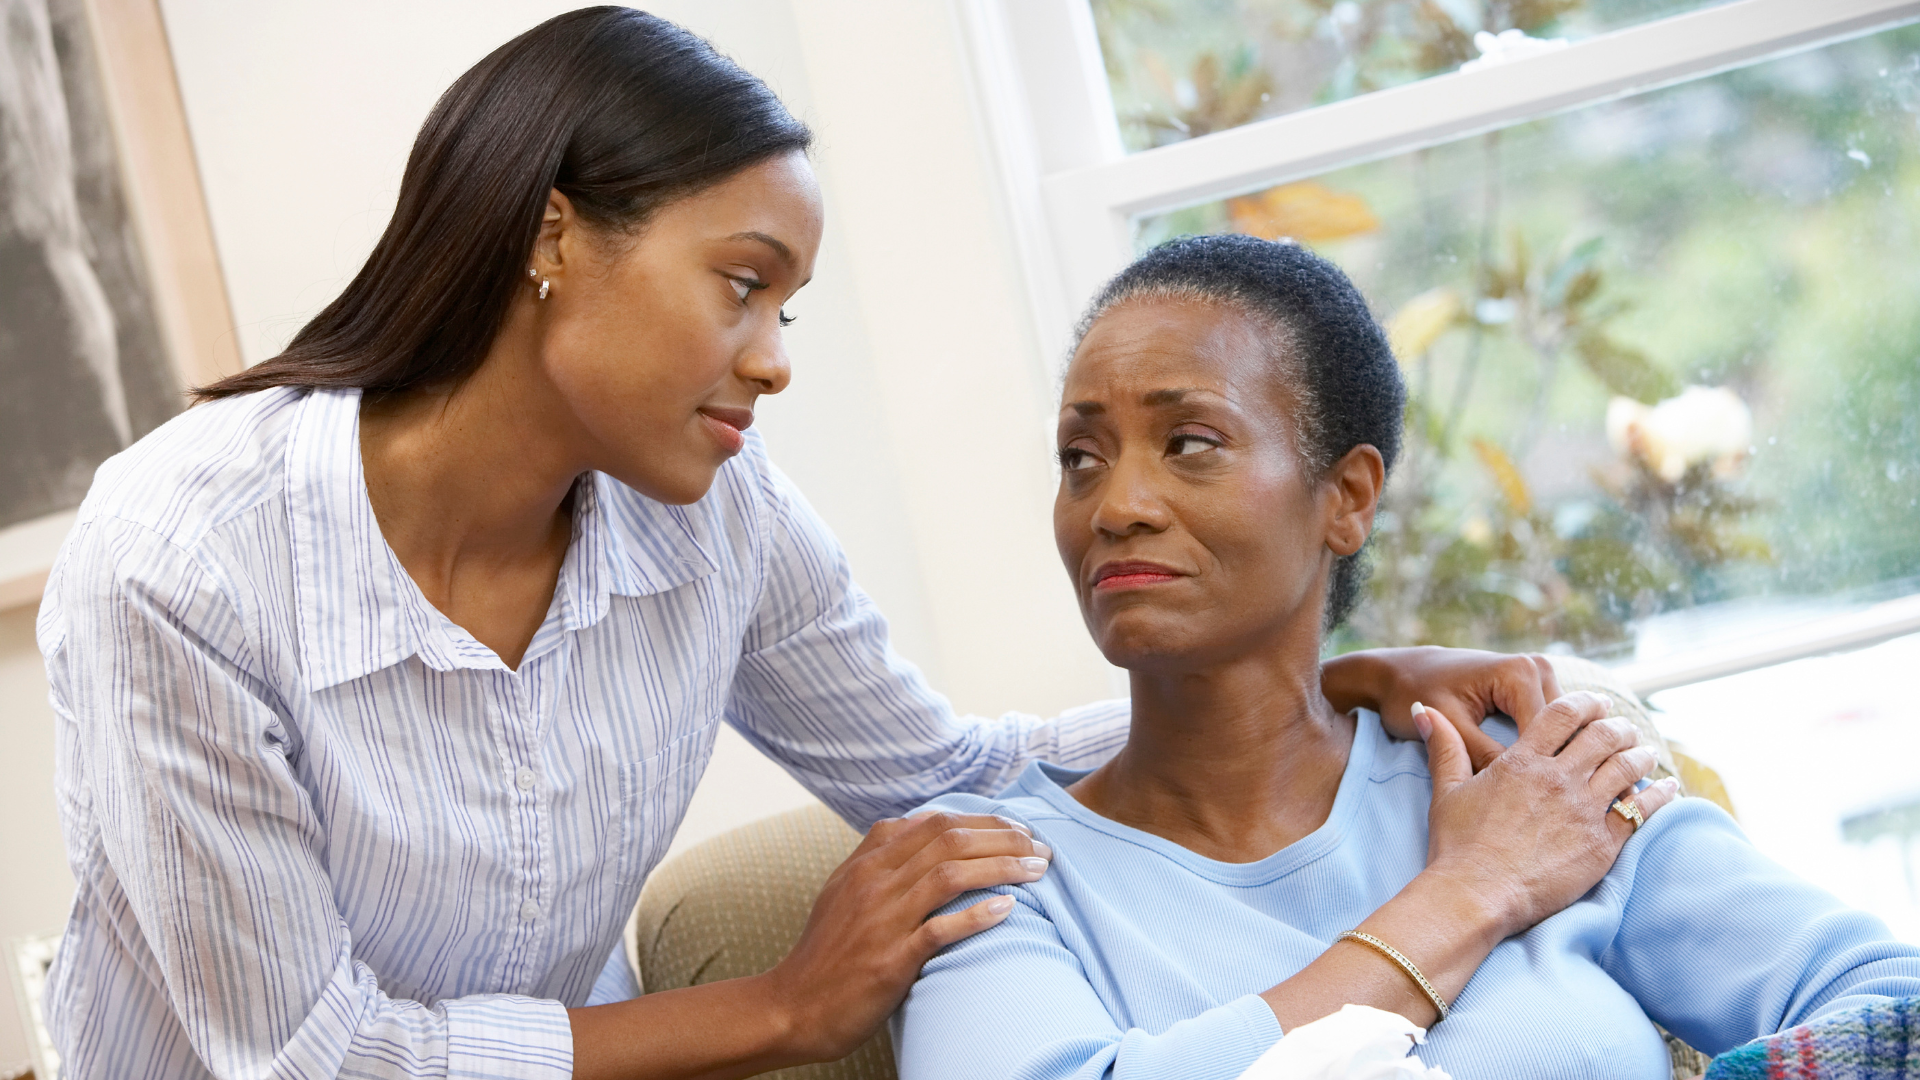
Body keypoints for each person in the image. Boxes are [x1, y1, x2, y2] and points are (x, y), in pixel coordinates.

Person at [38, 11, 1655, 1080]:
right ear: (550, 237)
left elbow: (938, 769)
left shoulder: (715, 517)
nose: (774, 356)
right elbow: (308, 1057)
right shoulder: (184, 556)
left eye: (789, 307)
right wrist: (785, 1007)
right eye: (741, 283)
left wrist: (1337, 680)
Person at [892, 233, 1920, 1079]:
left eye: (1190, 443)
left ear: (1347, 498)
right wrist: (1471, 892)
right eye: (1082, 458)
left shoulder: (1530, 777)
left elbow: (1891, 1007)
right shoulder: (994, 877)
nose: (1116, 505)